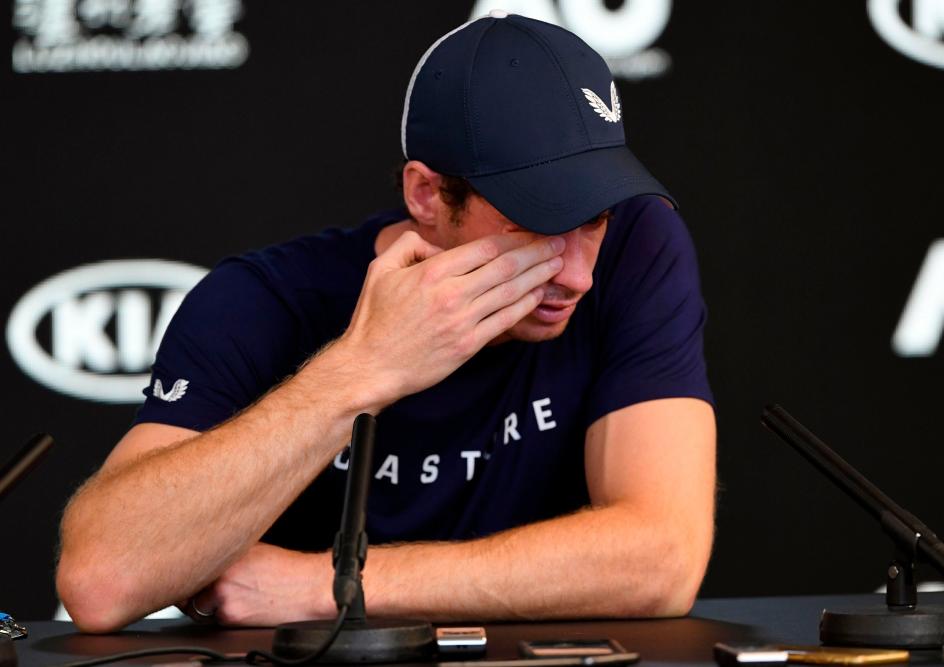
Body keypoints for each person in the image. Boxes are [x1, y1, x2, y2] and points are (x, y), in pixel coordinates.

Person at [56, 12, 716, 633]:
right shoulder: (266, 300)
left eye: (593, 219)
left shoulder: (637, 244)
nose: (576, 275)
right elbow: (100, 578)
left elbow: (663, 557)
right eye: (535, 223)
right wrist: (360, 371)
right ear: (426, 194)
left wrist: (332, 585)